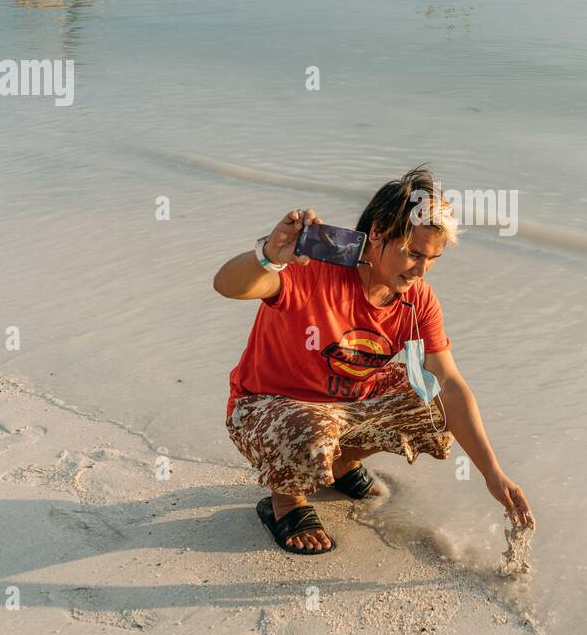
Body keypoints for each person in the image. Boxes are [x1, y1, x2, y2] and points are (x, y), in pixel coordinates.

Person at [213, 166, 535, 554]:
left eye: (432, 258)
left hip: (345, 408)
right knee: (310, 428)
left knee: (434, 400)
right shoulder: (314, 267)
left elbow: (449, 383)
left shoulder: (418, 300)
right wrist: (268, 256)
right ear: (379, 231)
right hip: (267, 407)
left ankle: (341, 463)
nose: (421, 270)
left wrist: (492, 474)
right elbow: (227, 286)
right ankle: (286, 502)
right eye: (414, 253)